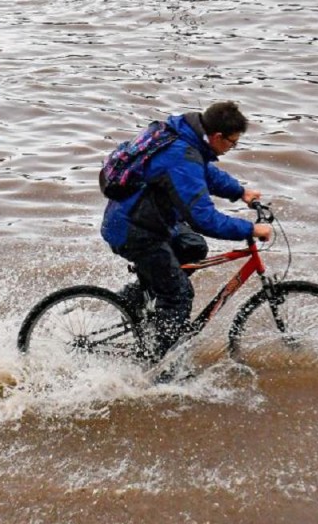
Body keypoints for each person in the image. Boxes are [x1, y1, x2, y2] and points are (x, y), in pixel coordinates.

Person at [100, 101, 273, 360]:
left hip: (145, 218)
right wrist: (250, 229)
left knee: (193, 246)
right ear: (217, 136)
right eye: (232, 143)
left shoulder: (188, 137)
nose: (232, 148)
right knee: (179, 295)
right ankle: (160, 363)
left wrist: (240, 192)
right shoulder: (181, 154)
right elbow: (204, 218)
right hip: (134, 230)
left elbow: (204, 173)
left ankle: (137, 300)